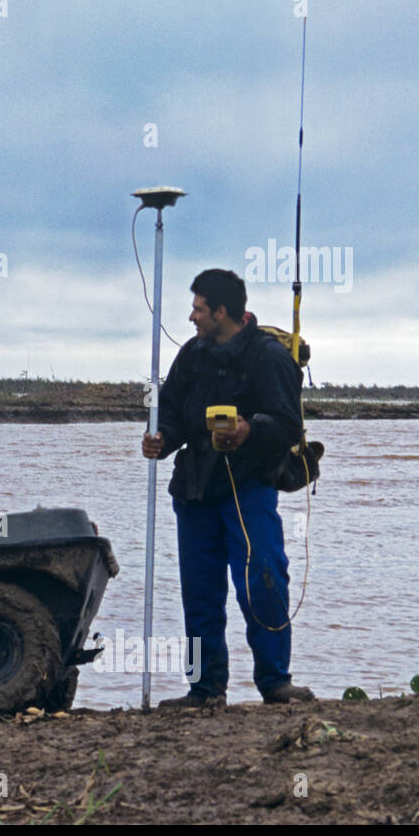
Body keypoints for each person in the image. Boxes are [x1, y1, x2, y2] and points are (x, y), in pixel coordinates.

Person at [141, 268, 315, 708]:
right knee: (199, 594)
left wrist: (248, 430)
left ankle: (275, 683)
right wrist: (159, 440)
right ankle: (204, 689)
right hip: (195, 490)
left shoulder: (269, 357)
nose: (192, 317)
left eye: (198, 308)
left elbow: (289, 426)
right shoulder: (192, 356)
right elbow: (174, 413)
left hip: (250, 487)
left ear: (222, 311)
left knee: (264, 579)